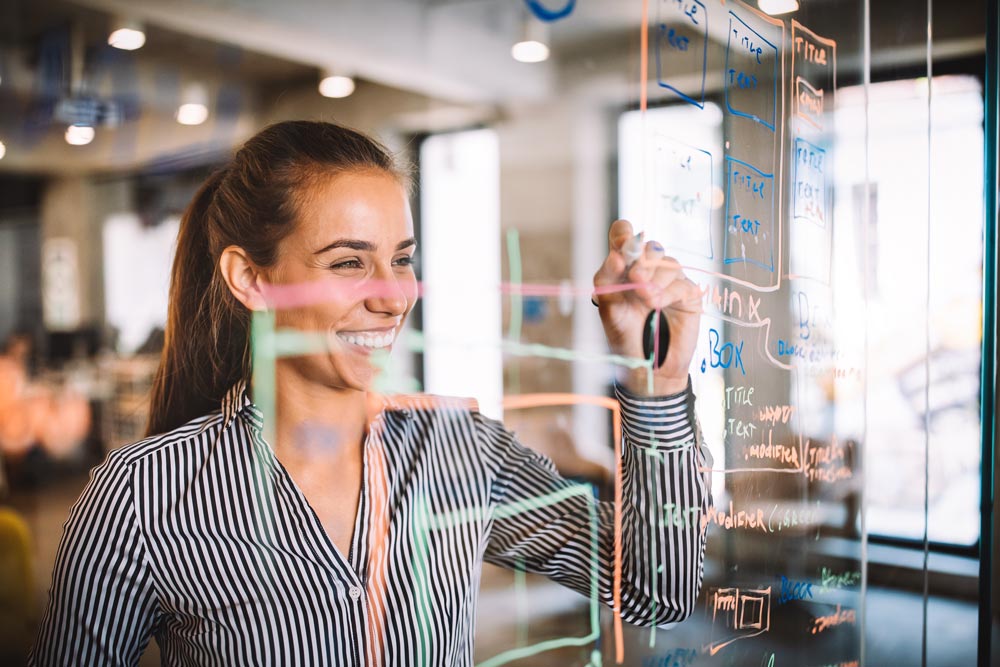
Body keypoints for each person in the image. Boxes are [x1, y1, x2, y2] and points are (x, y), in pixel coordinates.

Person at [30, 120, 711, 666]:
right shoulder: (140, 497)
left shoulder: (460, 452)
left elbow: (658, 589)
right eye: (350, 261)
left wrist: (657, 380)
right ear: (250, 278)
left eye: (403, 258)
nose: (392, 296)